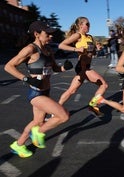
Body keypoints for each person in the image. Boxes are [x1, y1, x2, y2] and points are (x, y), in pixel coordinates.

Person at [4, 21, 73, 158]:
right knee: (64, 115)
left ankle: (18, 145)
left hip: (46, 91)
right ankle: (39, 133)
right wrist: (26, 79)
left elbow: (55, 68)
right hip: (36, 93)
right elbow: (8, 66)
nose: (51, 37)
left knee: (37, 121)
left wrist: (65, 67)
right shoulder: (30, 49)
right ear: (37, 34)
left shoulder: (48, 50)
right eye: (48, 34)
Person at [58, 17, 108, 116]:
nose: (89, 26)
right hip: (82, 66)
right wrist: (76, 50)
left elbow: (91, 52)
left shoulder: (90, 37)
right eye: (87, 24)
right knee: (104, 85)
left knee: (72, 90)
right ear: (81, 25)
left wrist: (96, 49)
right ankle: (92, 106)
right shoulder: (78, 35)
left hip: (86, 66)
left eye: (89, 24)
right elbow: (61, 45)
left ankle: (55, 109)